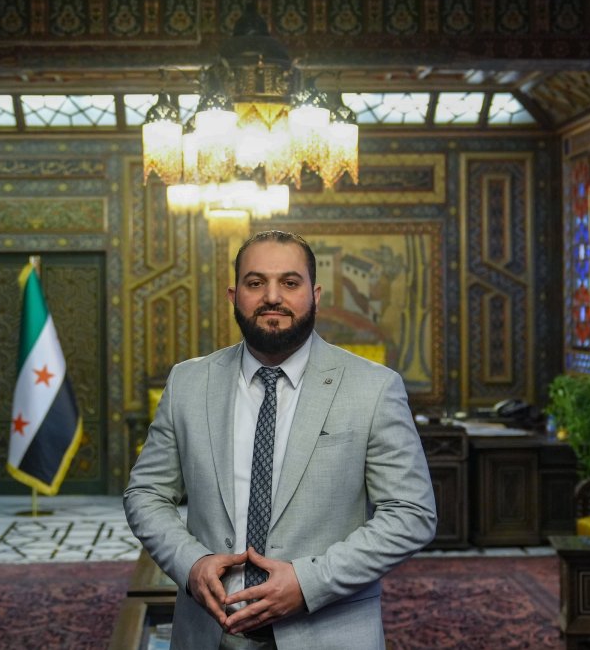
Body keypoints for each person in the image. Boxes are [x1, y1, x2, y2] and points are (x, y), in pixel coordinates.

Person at [124, 230, 437, 649]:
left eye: (290, 283)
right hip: (208, 634)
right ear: (234, 295)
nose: (273, 297)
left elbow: (412, 514)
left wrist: (309, 583)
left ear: (316, 293)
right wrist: (192, 563)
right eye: (256, 283)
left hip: (328, 632)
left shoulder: (374, 388)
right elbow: (145, 492)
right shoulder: (188, 382)